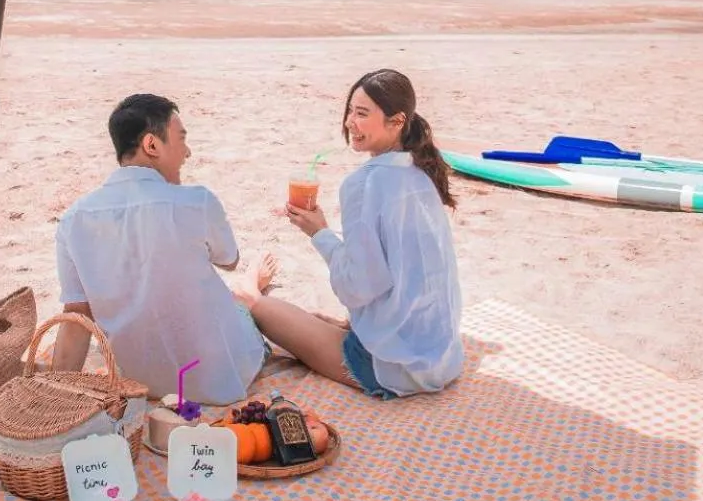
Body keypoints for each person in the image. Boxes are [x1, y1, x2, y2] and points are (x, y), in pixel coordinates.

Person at [238, 69, 463, 398]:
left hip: (393, 367)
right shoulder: (422, 171)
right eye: (349, 111)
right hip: (440, 355)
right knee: (314, 319)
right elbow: (402, 271)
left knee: (254, 303)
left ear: (397, 121)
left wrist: (319, 233)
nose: (349, 122)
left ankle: (250, 279)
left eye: (362, 113)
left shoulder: (364, 183)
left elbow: (359, 286)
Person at [50, 93, 273, 404]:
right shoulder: (197, 201)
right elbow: (229, 259)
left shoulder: (73, 220)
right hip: (219, 378)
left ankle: (251, 286)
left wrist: (55, 396)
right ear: (152, 145)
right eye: (181, 139)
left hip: (137, 382)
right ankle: (253, 285)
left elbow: (77, 317)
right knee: (242, 306)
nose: (188, 152)